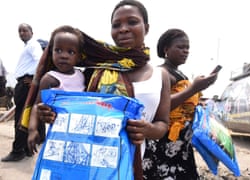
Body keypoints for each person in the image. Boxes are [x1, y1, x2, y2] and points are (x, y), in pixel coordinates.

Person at [30, 0, 170, 179]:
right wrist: (49, 113)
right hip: (87, 164)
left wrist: (147, 129)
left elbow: (163, 124)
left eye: (132, 22)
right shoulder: (93, 71)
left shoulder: (160, 75)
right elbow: (73, 109)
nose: (123, 29)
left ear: (147, 27)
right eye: (116, 25)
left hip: (131, 166)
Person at [142, 28, 218, 179]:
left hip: (181, 144)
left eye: (187, 48)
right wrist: (194, 88)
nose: (185, 51)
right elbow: (159, 105)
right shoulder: (161, 73)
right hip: (164, 143)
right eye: (180, 47)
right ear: (166, 49)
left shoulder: (180, 74)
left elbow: (185, 102)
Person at [27, 25, 86, 154]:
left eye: (70, 52)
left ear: (79, 57)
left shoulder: (82, 76)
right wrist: (32, 130)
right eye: (58, 50)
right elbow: (37, 106)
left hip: (81, 132)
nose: (63, 56)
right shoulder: (50, 79)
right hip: (59, 135)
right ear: (51, 52)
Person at [1, 23, 44, 162]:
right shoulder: (28, 47)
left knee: (20, 117)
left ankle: (18, 150)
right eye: (19, 31)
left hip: (26, 85)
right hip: (25, 83)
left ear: (32, 31)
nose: (22, 33)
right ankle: (26, 149)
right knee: (26, 116)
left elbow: (40, 61)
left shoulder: (33, 45)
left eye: (25, 30)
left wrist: (35, 80)